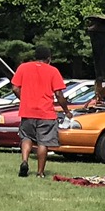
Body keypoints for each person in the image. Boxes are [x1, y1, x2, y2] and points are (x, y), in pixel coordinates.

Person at [10, 44, 68, 178]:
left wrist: (24, 99)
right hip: (46, 113)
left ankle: (25, 161)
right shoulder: (53, 71)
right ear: (49, 59)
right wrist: (66, 110)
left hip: (27, 111)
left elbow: (15, 88)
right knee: (43, 142)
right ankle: (40, 172)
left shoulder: (23, 67)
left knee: (26, 137)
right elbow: (59, 94)